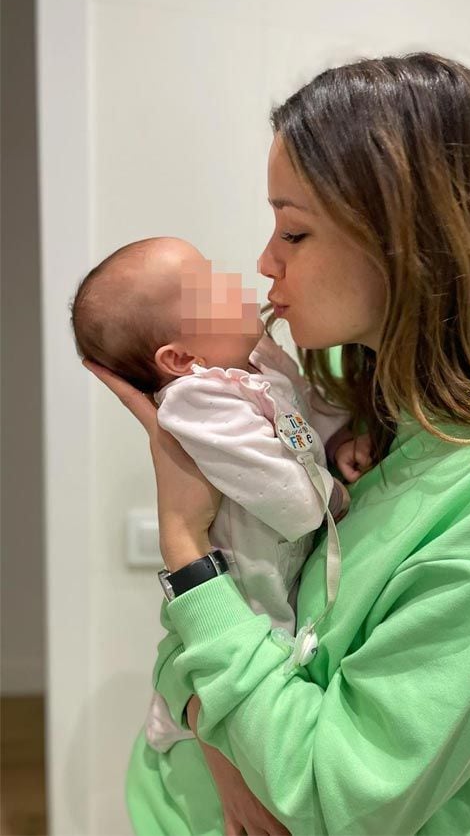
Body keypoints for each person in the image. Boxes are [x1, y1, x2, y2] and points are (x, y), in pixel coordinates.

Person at [83, 53, 470, 836]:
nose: (263, 262)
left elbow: (336, 798)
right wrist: (210, 722)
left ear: (400, 238)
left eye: (294, 228)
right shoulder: (365, 416)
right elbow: (203, 637)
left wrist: (187, 552)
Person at [70, 237, 373, 753]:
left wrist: (341, 439)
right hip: (250, 599)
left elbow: (304, 414)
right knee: (249, 685)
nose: (237, 287)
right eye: (212, 291)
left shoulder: (255, 365)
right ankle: (183, 727)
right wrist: (338, 496)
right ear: (182, 357)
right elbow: (298, 506)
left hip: (284, 575)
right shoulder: (196, 401)